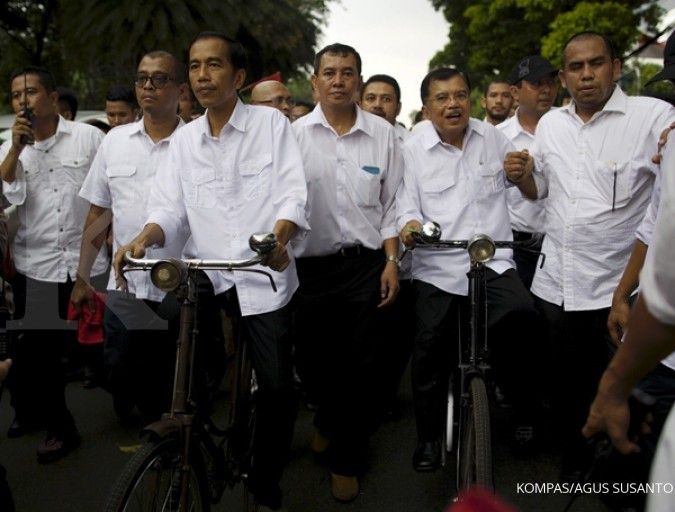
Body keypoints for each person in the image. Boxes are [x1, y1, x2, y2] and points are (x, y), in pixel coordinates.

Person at [113, 31, 308, 512]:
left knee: (279, 389)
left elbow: (291, 194)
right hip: (210, 272)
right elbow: (169, 210)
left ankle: (265, 486)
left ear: (238, 77)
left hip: (262, 273)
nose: (202, 75)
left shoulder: (270, 125)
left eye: (214, 65)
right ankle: (185, 435)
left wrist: (278, 239)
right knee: (179, 345)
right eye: (195, 66)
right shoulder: (184, 141)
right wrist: (144, 237)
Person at [504, 31, 675, 482]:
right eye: (576, 68)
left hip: (619, 289)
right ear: (563, 77)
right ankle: (575, 459)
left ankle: (623, 470)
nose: (586, 75)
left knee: (625, 385)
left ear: (615, 68)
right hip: (557, 283)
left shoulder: (652, 116)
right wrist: (522, 177)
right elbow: (539, 192)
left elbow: (663, 198)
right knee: (566, 383)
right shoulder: (553, 125)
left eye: (596, 64)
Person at [397, 67, 541, 473]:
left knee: (522, 318)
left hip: (490, 260)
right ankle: (427, 438)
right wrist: (410, 227)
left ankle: (521, 410)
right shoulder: (412, 147)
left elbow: (528, 190)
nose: (452, 104)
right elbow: (405, 206)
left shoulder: (494, 137)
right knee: (427, 349)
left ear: (472, 100)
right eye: (441, 98)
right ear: (426, 108)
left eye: (460, 95)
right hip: (438, 265)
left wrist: (523, 174)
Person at [291, 43, 402, 502]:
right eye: (329, 72)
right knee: (314, 366)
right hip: (308, 270)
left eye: (348, 72)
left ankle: (346, 459)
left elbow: (395, 201)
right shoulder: (292, 136)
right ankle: (325, 419)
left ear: (359, 80)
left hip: (366, 267)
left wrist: (393, 261)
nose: (339, 80)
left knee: (361, 368)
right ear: (315, 81)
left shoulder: (383, 135)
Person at [71, 51, 187, 424]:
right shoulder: (115, 141)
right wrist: (84, 276)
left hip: (180, 283)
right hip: (127, 281)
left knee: (171, 372)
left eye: (159, 79)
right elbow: (98, 212)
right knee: (118, 363)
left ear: (181, 88)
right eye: (141, 79)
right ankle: (130, 402)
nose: (148, 86)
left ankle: (161, 439)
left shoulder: (198, 143)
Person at [0, 66, 108, 463]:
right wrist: (15, 150)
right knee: (42, 355)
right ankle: (60, 427)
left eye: (30, 92)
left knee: (102, 346)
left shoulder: (88, 138)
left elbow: (108, 194)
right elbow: (3, 196)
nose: (23, 101)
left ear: (51, 97)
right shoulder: (10, 149)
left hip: (88, 262)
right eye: (15, 95)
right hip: (38, 265)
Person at [582, 129, 675, 512]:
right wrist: (622, 294)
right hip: (662, 364)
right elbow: (654, 225)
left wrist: (615, 384)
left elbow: (667, 291)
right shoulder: (671, 146)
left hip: (658, 344)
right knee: (628, 479)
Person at [360, 73, 412, 418]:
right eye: (372, 97)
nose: (379, 104)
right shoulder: (357, 140)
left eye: (387, 98)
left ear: (398, 106)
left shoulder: (413, 143)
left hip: (408, 260)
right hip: (366, 257)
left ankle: (386, 395)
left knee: (398, 336)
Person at [498, 55, 558, 289]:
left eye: (550, 82)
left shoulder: (572, 129)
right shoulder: (498, 137)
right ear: (515, 92)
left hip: (559, 246)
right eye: (536, 84)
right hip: (516, 248)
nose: (546, 90)